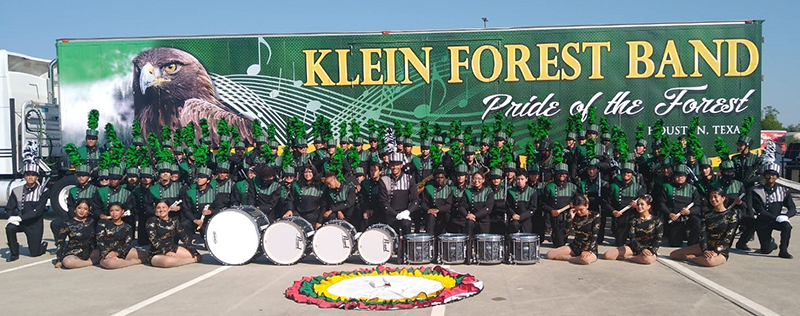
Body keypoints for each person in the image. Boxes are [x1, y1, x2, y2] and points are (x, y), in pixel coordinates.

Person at [670, 188, 738, 267]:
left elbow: (728, 238)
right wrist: (705, 250)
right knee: (674, 254)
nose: (713, 199)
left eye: (715, 197)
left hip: (720, 249)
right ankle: (699, 256)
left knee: (710, 261)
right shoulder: (708, 215)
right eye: (711, 197)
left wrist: (716, 252)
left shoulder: (731, 216)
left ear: (723, 198)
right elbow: (703, 234)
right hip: (706, 246)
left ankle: (692, 258)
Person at [745, 163, 795, 258]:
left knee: (787, 227)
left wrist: (786, 216)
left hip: (777, 220)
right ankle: (771, 243)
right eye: (768, 175)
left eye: (773, 175)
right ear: (764, 176)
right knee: (766, 250)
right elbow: (760, 210)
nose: (770, 177)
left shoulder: (784, 191)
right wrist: (776, 218)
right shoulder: (756, 191)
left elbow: (792, 208)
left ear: (777, 177)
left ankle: (783, 251)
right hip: (764, 221)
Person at [5, 164, 49, 262]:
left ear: (37, 177)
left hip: (34, 224)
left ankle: (42, 246)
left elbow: (38, 211)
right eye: (28, 174)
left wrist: (20, 218)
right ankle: (14, 253)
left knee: (34, 253)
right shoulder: (16, 190)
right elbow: (9, 208)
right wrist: (11, 217)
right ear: (24, 176)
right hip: (20, 222)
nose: (30, 177)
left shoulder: (43, 191)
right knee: (10, 228)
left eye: (33, 175)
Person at [603, 194, 662, 264]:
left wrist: (651, 251)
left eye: (642, 204)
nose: (639, 206)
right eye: (638, 204)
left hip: (649, 249)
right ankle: (633, 257)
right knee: (607, 255)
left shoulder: (656, 220)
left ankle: (631, 258)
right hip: (634, 247)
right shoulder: (634, 220)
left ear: (649, 206)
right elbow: (632, 237)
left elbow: (658, 239)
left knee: (648, 260)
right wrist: (641, 249)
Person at [545, 194, 600, 265]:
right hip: (575, 246)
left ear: (587, 206)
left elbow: (595, 235)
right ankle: (574, 258)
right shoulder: (574, 216)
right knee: (550, 254)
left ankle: (570, 258)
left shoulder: (595, 216)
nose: (579, 212)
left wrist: (589, 251)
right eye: (576, 210)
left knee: (586, 260)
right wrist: (570, 219)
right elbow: (565, 233)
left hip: (589, 248)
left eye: (581, 210)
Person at [657, 164, 704, 247]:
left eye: (683, 176)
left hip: (688, 217)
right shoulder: (666, 187)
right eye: (678, 175)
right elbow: (661, 204)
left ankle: (692, 243)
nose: (680, 178)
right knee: (674, 244)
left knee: (697, 222)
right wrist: (669, 214)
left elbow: (698, 206)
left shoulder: (693, 189)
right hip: (674, 218)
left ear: (686, 177)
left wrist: (689, 211)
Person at [147, 200, 201, 268]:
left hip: (173, 249)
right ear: (155, 210)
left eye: (164, 207)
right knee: (168, 262)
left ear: (169, 208)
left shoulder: (174, 221)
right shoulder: (151, 221)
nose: (161, 210)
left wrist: (194, 252)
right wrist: (166, 252)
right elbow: (153, 239)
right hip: (156, 252)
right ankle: (191, 260)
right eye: (158, 208)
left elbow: (184, 237)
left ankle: (186, 259)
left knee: (193, 255)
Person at [97, 203, 147, 269]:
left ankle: (127, 261)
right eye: (112, 211)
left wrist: (117, 253)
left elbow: (127, 244)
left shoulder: (127, 226)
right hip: (107, 253)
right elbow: (99, 240)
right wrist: (106, 254)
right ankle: (133, 262)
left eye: (117, 210)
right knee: (110, 264)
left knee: (148, 255)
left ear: (122, 211)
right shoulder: (103, 223)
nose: (114, 213)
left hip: (122, 251)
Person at [459, 171, 494, 263]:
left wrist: (475, 215)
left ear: (483, 180)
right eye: (474, 179)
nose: (476, 181)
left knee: (482, 241)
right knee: (469, 228)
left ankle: (482, 257)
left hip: (483, 220)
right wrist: (467, 215)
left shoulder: (488, 191)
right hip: (471, 219)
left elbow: (488, 208)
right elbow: (462, 206)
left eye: (479, 179)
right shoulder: (468, 191)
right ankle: (469, 256)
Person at [608, 162, 647, 246]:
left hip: (634, 216)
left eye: (629, 172)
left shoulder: (638, 188)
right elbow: (607, 202)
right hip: (619, 216)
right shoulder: (613, 186)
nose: (626, 174)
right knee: (619, 243)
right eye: (624, 172)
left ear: (632, 175)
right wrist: (613, 211)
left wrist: (636, 206)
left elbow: (644, 204)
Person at [542, 163, 580, 247]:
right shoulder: (549, 187)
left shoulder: (573, 187)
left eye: (564, 174)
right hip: (555, 216)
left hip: (569, 216)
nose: (561, 176)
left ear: (567, 175)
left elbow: (578, 201)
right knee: (559, 243)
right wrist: (551, 210)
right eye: (559, 173)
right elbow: (543, 203)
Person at [54, 200, 99, 269]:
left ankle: (91, 260)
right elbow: (60, 242)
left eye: (85, 209)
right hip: (74, 252)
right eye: (79, 208)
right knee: (67, 262)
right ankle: (90, 263)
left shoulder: (92, 221)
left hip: (90, 251)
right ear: (75, 209)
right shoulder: (67, 223)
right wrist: (59, 260)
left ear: (88, 211)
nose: (82, 211)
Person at [420, 169, 453, 236]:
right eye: (438, 178)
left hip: (443, 213)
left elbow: (448, 205)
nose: (440, 179)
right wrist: (428, 210)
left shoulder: (449, 189)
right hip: (430, 213)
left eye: (442, 178)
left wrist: (438, 210)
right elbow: (423, 203)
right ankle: (430, 239)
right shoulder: (428, 188)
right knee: (431, 217)